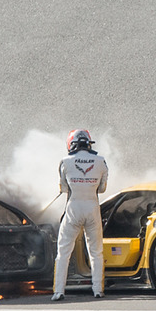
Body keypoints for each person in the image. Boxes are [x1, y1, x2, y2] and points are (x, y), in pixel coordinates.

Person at [52, 129, 108, 301]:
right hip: (92, 208)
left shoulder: (65, 161)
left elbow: (63, 189)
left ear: (71, 143)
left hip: (73, 209)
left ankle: (59, 291)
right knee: (96, 252)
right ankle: (98, 290)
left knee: (63, 252)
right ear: (89, 142)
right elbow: (102, 188)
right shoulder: (101, 161)